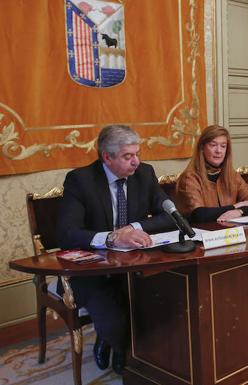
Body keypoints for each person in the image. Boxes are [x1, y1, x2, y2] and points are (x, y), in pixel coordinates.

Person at [56, 125, 175, 375]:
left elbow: (168, 216)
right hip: (94, 270)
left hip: (134, 264)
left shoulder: (144, 174)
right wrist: (112, 238)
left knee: (166, 301)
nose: (136, 162)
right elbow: (67, 234)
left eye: (137, 153)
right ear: (106, 157)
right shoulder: (81, 180)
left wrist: (131, 227)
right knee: (115, 322)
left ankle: (138, 354)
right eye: (128, 156)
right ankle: (116, 344)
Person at [175, 125, 248, 222]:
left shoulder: (232, 175)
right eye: (213, 145)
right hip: (203, 233)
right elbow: (199, 214)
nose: (219, 151)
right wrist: (234, 206)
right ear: (202, 148)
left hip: (230, 233)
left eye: (223, 146)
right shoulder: (189, 178)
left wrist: (239, 211)